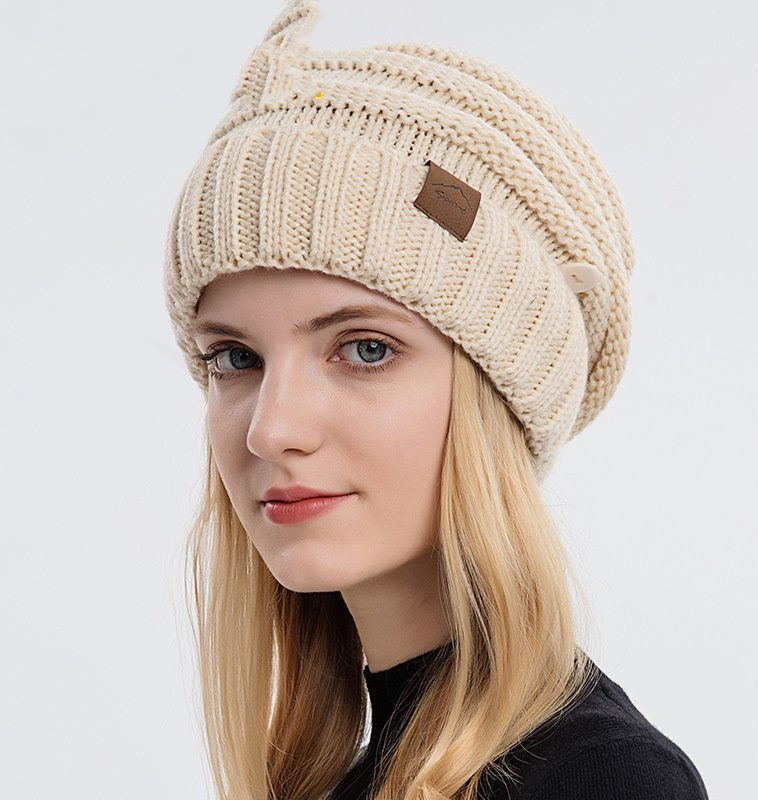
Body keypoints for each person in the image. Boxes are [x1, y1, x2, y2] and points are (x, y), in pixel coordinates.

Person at [162, 1, 709, 798]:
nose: (272, 430)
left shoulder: (600, 779)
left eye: (365, 349)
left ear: (499, 402)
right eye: (235, 358)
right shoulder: (346, 778)